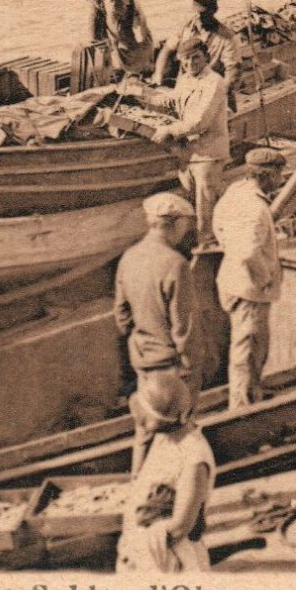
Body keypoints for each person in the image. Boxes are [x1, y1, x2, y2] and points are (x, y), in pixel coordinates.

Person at [115, 193, 199, 471]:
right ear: (173, 224)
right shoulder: (175, 264)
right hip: (170, 365)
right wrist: (189, 369)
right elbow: (183, 328)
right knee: (182, 432)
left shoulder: (129, 258)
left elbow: (122, 316)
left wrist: (141, 341)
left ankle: (139, 485)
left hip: (142, 362)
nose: (186, 231)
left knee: (145, 430)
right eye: (185, 225)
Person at [116, 370, 216, 573]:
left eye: (144, 415)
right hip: (144, 552)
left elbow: (180, 527)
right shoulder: (165, 437)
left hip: (172, 563)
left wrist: (139, 543)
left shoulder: (194, 459)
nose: (139, 421)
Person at [130, 40, 230, 242]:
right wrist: (141, 92)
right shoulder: (185, 79)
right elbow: (171, 100)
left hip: (208, 156)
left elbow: (201, 121)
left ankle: (207, 250)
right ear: (181, 61)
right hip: (189, 154)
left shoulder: (215, 82)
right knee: (191, 206)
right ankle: (195, 244)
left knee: (205, 210)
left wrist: (169, 129)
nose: (191, 62)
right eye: (186, 59)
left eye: (196, 57)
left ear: (206, 58)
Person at [211, 147, 286, 410]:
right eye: (279, 174)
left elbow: (217, 223)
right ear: (266, 176)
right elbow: (249, 252)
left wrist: (228, 245)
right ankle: (241, 408)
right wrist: (265, 277)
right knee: (249, 350)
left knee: (248, 347)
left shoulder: (235, 192)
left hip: (231, 280)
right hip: (250, 289)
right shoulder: (255, 207)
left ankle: (251, 396)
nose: (281, 179)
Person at [152, 0, 250, 84]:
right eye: (196, 12)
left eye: (203, 14)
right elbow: (167, 49)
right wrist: (158, 75)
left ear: (213, 11)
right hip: (186, 81)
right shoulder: (186, 27)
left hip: (212, 84)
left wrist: (221, 92)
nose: (199, 17)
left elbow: (233, 71)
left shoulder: (227, 37)